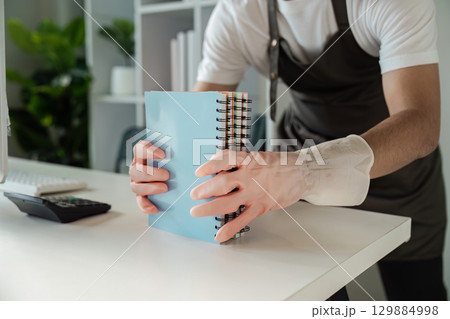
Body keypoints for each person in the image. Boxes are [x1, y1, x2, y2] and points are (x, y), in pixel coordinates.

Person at [129, 0, 447, 301]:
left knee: (418, 295)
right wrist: (166, 161)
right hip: (293, 179)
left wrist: (307, 171)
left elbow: (421, 123)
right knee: (316, 293)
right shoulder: (236, 12)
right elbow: (197, 119)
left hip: (397, 175)